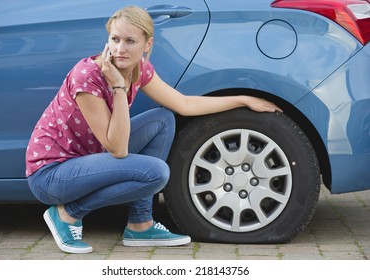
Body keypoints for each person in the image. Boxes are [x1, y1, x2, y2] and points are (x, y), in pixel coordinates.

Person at [25, 5, 282, 254]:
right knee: (156, 173)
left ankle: (140, 224)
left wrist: (243, 100)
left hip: (89, 161)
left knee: (163, 119)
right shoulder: (88, 75)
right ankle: (67, 213)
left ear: (147, 45)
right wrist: (118, 86)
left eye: (129, 41)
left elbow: (184, 104)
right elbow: (117, 148)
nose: (119, 49)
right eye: (114, 39)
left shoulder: (140, 70)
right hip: (52, 174)